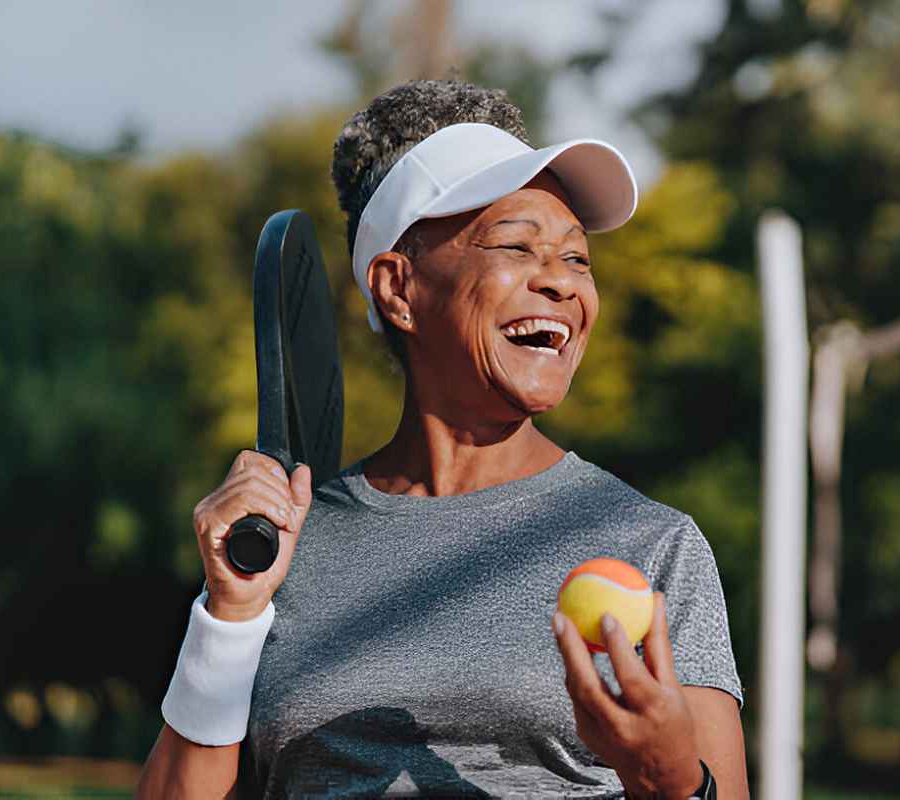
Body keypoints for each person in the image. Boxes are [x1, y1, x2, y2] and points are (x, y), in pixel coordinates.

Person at [136, 79, 748, 799]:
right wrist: (230, 617)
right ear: (398, 288)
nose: (560, 283)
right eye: (517, 246)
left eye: (578, 259)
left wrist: (671, 777)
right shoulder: (280, 547)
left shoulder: (651, 545)